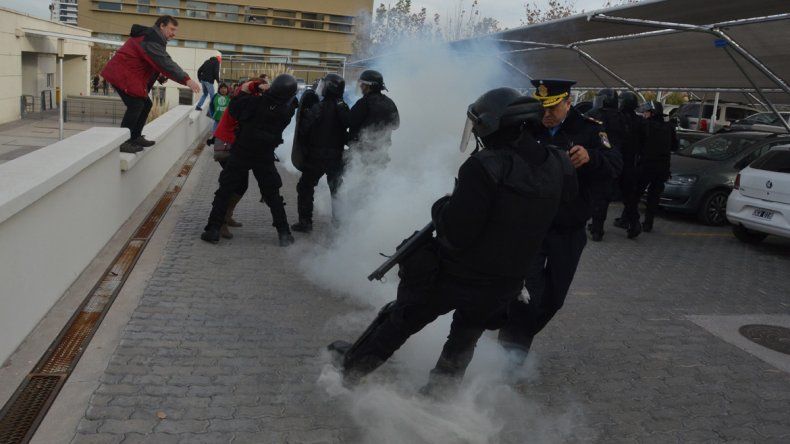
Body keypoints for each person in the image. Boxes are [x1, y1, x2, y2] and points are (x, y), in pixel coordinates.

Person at [328, 88, 576, 393]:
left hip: (458, 275)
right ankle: (439, 395)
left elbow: (456, 233)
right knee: (465, 337)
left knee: (401, 317)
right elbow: (563, 217)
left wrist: (443, 206)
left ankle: (353, 369)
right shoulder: (560, 164)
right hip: (506, 281)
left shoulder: (483, 165)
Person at [497, 79, 622, 367]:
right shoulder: (528, 127)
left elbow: (615, 165)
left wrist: (592, 158)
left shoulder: (590, 129)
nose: (547, 114)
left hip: (568, 229)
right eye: (542, 107)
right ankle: (510, 358)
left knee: (552, 300)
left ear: (567, 102)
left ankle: (515, 339)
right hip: (531, 226)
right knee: (527, 296)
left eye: (553, 107)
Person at [201, 74, 299, 247]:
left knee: (225, 190)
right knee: (273, 195)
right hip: (265, 156)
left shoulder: (253, 103)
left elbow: (235, 107)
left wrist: (254, 88)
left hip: (242, 152)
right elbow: (289, 103)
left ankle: (213, 229)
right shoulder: (286, 111)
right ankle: (284, 233)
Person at [101, 15, 201, 153]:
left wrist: (159, 75)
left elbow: (150, 60)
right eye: (172, 29)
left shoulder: (153, 38)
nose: (174, 34)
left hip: (128, 74)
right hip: (122, 74)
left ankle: (135, 137)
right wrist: (186, 79)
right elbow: (165, 62)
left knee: (145, 104)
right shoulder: (151, 38)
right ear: (162, 26)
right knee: (136, 104)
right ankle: (123, 142)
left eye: (175, 31)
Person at [291, 74, 351, 233]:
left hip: (316, 157)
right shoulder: (343, 106)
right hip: (336, 157)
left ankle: (306, 223)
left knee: (305, 187)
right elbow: (349, 126)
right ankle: (339, 223)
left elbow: (304, 130)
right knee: (336, 189)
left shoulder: (319, 107)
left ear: (329, 87)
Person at [622, 101, 678, 236]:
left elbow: (635, 143)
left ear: (652, 113)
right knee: (654, 197)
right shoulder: (669, 127)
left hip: (646, 166)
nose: (645, 114)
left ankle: (629, 221)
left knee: (634, 195)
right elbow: (675, 146)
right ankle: (648, 224)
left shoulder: (645, 125)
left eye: (647, 112)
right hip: (663, 168)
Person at [585, 88, 628, 241]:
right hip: (613, 162)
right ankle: (597, 229)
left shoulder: (594, 114)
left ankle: (591, 226)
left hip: (594, 159)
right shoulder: (622, 117)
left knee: (587, 194)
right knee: (603, 198)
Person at [347, 70, 400, 167]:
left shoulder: (363, 103)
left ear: (369, 86)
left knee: (358, 178)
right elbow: (396, 125)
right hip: (381, 152)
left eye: (362, 84)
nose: (360, 86)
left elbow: (350, 122)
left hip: (361, 153)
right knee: (375, 178)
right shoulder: (389, 102)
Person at [613, 91, 643, 238]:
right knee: (630, 198)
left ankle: (597, 227)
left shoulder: (617, 118)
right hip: (631, 164)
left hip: (616, 161)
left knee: (602, 196)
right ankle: (634, 224)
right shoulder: (640, 121)